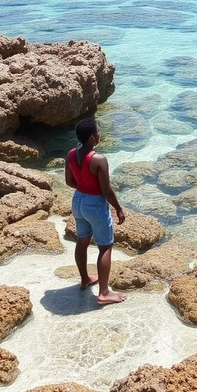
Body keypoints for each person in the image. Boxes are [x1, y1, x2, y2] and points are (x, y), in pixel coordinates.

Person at [65, 117, 127, 305]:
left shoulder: (71, 154)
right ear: (92, 137)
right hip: (95, 205)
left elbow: (69, 182)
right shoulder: (99, 160)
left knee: (82, 242)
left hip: (78, 201)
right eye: (98, 132)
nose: (100, 134)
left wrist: (84, 188)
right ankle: (104, 293)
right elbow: (106, 190)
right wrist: (118, 208)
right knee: (105, 246)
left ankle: (85, 279)